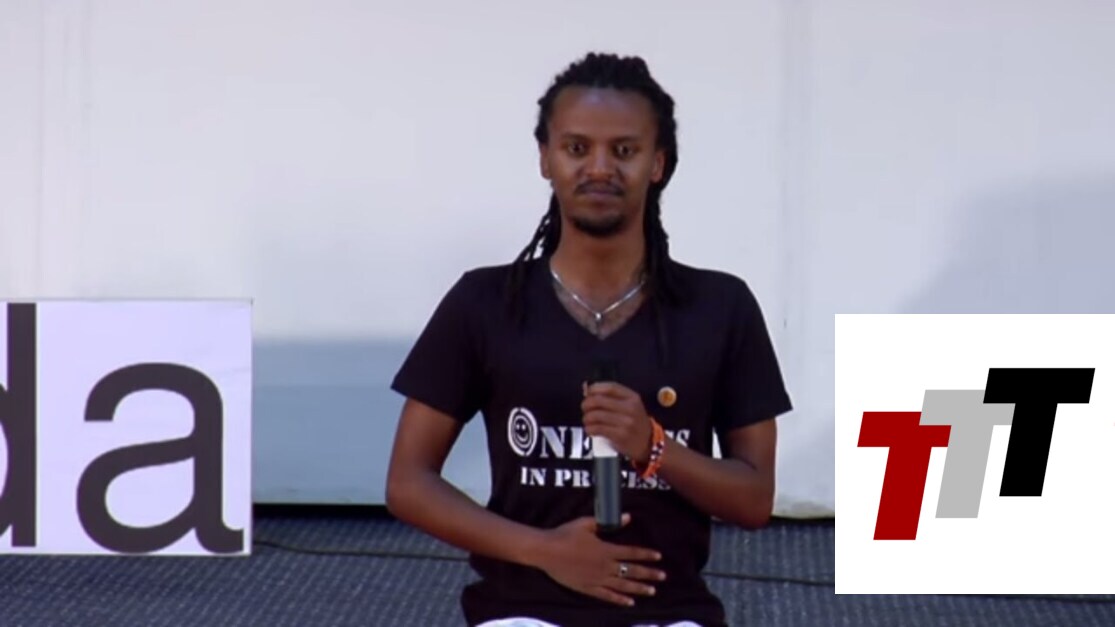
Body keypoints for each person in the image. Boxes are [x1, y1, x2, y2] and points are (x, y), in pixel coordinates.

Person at [386, 52, 793, 627]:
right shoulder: (485, 301)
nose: (599, 168)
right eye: (577, 148)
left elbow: (753, 501)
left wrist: (653, 447)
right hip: (521, 611)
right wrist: (544, 550)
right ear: (545, 158)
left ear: (658, 163)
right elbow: (408, 483)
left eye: (624, 151)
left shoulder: (721, 307)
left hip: (670, 613)